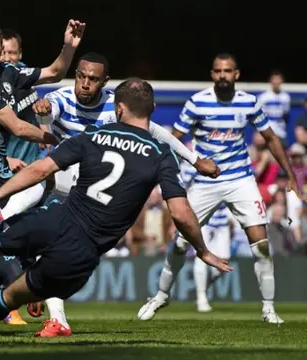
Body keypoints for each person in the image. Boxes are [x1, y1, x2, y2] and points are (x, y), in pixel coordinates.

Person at [0, 78, 232, 335]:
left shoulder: (93, 136)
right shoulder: (159, 156)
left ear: (119, 108)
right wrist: (202, 250)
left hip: (52, 219)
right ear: (152, 110)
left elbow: (38, 169)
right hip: (80, 250)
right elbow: (181, 213)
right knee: (10, 297)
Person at [28, 51, 220, 337]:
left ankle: (39, 292)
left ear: (104, 82)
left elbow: (157, 132)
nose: (84, 83)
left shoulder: (117, 107)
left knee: (59, 249)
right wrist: (43, 110)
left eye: (92, 79)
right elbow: (49, 109)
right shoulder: (62, 97)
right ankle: (49, 307)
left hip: (94, 193)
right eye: (81, 76)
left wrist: (194, 160)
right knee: (36, 200)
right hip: (67, 177)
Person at [138, 53, 300, 324]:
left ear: (236, 74)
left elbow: (270, 138)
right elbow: (174, 138)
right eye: (218, 71)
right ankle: (161, 295)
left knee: (261, 245)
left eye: (228, 71)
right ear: (212, 74)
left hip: (241, 181)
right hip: (204, 183)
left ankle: (269, 308)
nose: (223, 75)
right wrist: (159, 169)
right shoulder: (197, 102)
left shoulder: (249, 102)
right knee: (179, 243)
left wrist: (291, 174)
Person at [0, 19, 84, 325]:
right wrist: (62, 142)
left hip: (4, 175)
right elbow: (18, 127)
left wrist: (69, 46)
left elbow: (54, 73)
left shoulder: (10, 73)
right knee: (5, 237)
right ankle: (30, 293)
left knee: (12, 240)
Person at [179, 152, 231, 313]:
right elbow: (182, 187)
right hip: (201, 216)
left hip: (221, 218)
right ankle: (202, 298)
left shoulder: (228, 159)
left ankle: (203, 290)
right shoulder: (193, 161)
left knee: (223, 262)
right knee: (202, 256)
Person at [257, 71, 291, 146]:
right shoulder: (263, 97)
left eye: (278, 79)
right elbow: (258, 117)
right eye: (274, 79)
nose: (276, 82)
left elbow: (285, 114)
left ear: (282, 81)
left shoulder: (286, 97)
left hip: (281, 133)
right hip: (266, 131)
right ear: (270, 81)